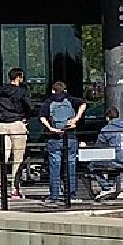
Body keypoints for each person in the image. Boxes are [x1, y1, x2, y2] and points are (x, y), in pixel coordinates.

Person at [0, 68, 33, 205]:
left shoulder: (0, 91)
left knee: (2, 156)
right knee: (18, 158)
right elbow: (30, 106)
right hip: (17, 123)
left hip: (3, 125)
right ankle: (15, 189)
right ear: (18, 77)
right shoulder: (21, 91)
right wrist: (26, 117)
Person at [42, 79, 81, 207]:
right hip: (70, 136)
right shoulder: (70, 99)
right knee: (71, 165)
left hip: (54, 137)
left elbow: (42, 116)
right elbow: (84, 103)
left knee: (55, 166)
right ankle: (71, 194)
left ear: (53, 90)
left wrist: (51, 128)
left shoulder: (49, 101)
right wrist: (75, 119)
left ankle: (55, 195)